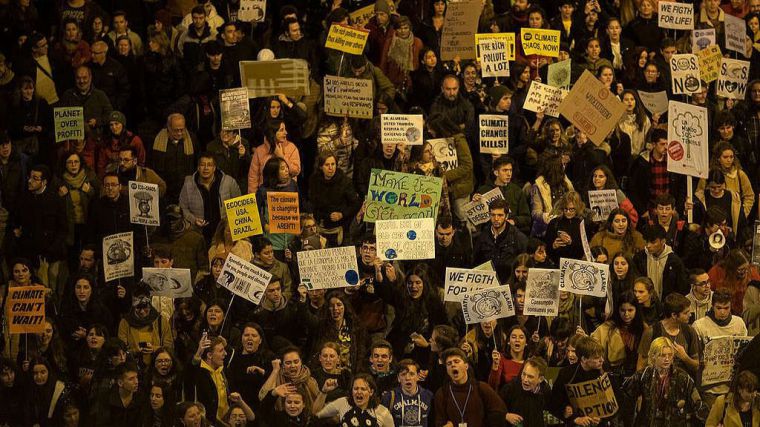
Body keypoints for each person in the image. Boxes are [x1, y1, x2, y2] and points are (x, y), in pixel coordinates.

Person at [624, 336, 706, 426]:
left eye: (670, 355)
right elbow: (625, 398)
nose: (667, 359)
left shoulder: (682, 377)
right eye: (662, 355)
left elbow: (698, 404)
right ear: (653, 356)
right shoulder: (644, 375)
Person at [433, 348, 507, 427]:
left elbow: (500, 412)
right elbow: (439, 422)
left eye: (456, 361)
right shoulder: (442, 394)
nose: (453, 365)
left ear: (466, 366)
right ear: (447, 370)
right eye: (449, 363)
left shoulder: (481, 388)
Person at [550, 336, 614, 426]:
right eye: (596, 358)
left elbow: (617, 402)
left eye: (601, 356)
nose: (601, 360)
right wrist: (574, 418)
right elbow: (554, 402)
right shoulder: (566, 374)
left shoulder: (605, 372)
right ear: (584, 359)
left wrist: (602, 418)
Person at [178, 152, 241, 242]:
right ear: (198, 168)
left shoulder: (229, 182)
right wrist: (194, 220)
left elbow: (239, 205)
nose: (206, 168)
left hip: (224, 235)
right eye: (203, 165)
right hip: (199, 235)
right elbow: (182, 208)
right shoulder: (188, 184)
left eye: (209, 165)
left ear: (214, 168)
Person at [637, 293, 700, 375]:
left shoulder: (689, 331)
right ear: (674, 315)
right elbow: (641, 365)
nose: (690, 315)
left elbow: (696, 365)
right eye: (685, 313)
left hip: (682, 383)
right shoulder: (652, 332)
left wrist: (685, 357)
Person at [308, 151, 358, 247]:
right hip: (320, 226)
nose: (331, 168)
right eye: (327, 165)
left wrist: (342, 214)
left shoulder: (345, 181)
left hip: (340, 227)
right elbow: (311, 201)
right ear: (320, 167)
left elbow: (355, 204)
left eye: (333, 164)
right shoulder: (314, 180)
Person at [473, 198, 528, 283]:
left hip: (509, 284)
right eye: (493, 215)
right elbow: (475, 263)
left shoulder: (519, 238)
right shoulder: (482, 237)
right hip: (486, 284)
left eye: (500, 215)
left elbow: (523, 266)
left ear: (506, 216)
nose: (496, 218)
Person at [313, 372, 394, 426]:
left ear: (371, 392)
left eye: (363, 389)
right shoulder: (343, 402)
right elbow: (316, 414)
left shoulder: (383, 412)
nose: (359, 392)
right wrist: (324, 392)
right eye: (355, 388)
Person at [633, 224, 689, 298]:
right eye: (647, 241)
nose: (648, 245)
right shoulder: (639, 258)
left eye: (653, 242)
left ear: (663, 241)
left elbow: (681, 287)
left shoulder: (674, 261)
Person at [248, 120, 301, 194]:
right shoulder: (259, 151)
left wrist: (280, 155)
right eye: (281, 130)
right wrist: (254, 199)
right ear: (273, 133)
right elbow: (253, 178)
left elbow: (295, 171)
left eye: (285, 129)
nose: (286, 132)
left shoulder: (291, 148)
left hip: (287, 194)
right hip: (266, 195)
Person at [498, 356, 551, 427]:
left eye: (530, 377)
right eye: (524, 374)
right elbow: (494, 411)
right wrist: (506, 416)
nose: (525, 379)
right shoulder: (510, 388)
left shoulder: (545, 390)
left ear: (540, 379)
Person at [380, 358, 434, 427]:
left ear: (417, 376)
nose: (407, 378)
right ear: (398, 378)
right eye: (403, 374)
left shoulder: (428, 396)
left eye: (411, 374)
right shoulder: (388, 397)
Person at [90, 362, 144, 426]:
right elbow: (102, 423)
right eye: (131, 379)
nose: (136, 382)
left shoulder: (140, 397)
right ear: (120, 383)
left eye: (136, 377)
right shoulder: (106, 398)